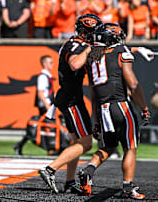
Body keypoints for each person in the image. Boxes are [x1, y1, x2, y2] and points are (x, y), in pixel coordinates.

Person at [78, 23, 150, 200]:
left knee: (108, 146)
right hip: (120, 106)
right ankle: (127, 187)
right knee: (130, 147)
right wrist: (144, 107)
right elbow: (132, 84)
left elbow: (94, 95)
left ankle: (88, 170)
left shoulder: (93, 58)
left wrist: (96, 120)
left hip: (103, 108)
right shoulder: (121, 51)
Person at [38, 14, 102, 194]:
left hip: (69, 96)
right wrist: (90, 49)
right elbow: (74, 64)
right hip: (72, 99)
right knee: (86, 143)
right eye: (93, 33)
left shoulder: (76, 43)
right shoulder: (77, 45)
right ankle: (50, 169)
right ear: (85, 32)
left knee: (75, 142)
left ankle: (70, 181)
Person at [13, 55, 54, 155]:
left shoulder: (48, 76)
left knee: (44, 126)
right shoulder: (43, 77)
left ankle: (20, 145)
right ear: (44, 64)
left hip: (47, 105)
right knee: (47, 125)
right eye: (50, 62)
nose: (52, 64)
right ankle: (51, 147)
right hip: (45, 106)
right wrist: (47, 106)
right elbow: (41, 93)